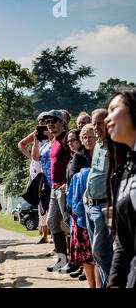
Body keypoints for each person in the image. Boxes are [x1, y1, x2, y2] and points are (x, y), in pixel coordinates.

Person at [104, 88, 136, 288]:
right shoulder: (124, 171)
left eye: (114, 109)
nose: (108, 118)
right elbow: (124, 245)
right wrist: (114, 282)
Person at [83, 108, 114, 287]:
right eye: (94, 124)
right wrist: (87, 192)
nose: (96, 128)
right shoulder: (99, 145)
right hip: (91, 206)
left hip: (104, 206)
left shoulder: (114, 144)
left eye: (99, 123)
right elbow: (95, 173)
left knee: (101, 251)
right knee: (97, 253)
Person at [63, 127, 96, 285]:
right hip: (81, 208)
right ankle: (92, 285)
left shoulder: (102, 154)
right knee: (86, 252)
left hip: (98, 204)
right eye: (86, 137)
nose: (89, 140)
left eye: (91, 137)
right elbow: (74, 179)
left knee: (97, 252)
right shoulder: (78, 156)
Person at [44, 110, 71, 272]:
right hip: (54, 187)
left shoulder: (67, 139)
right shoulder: (54, 140)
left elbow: (75, 160)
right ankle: (62, 260)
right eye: (48, 121)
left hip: (64, 187)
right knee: (52, 223)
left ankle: (75, 261)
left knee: (68, 224)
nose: (50, 123)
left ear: (62, 122)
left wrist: (68, 182)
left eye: (54, 120)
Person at [31, 117, 53, 244]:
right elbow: (35, 157)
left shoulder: (56, 139)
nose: (45, 126)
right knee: (44, 207)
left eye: (49, 123)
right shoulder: (43, 143)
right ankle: (46, 236)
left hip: (55, 180)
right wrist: (35, 140)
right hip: (44, 178)